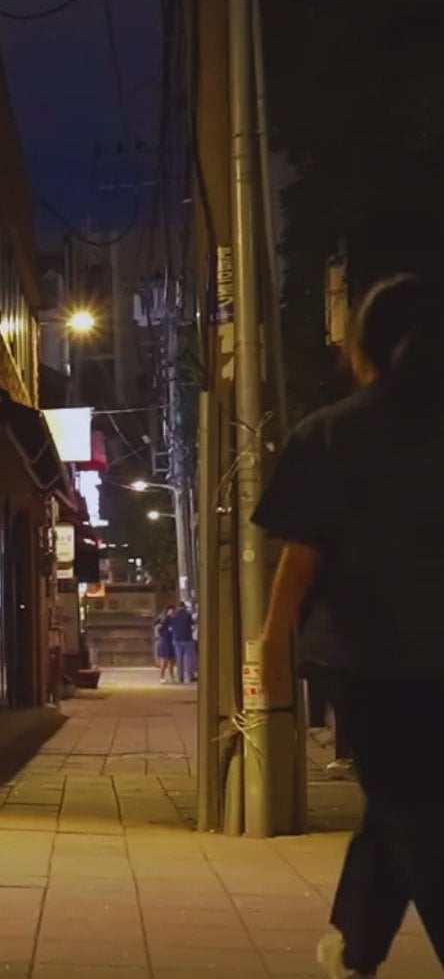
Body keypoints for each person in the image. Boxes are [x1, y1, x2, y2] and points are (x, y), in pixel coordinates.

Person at [252, 273, 444, 978]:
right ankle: (357, 948)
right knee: (404, 801)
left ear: (363, 347)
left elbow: (301, 561)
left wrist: (273, 646)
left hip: (373, 660)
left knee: (413, 809)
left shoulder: (334, 433)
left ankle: (357, 948)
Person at [168, 601, 196, 684]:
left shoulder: (173, 615)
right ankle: (187, 677)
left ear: (178, 607)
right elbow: (192, 625)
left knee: (179, 658)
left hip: (176, 639)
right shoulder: (187, 615)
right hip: (187, 639)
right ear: (184, 607)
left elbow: (170, 627)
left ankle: (180, 677)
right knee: (187, 659)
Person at [154, 605, 177, 684]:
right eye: (171, 611)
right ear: (168, 611)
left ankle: (172, 677)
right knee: (164, 660)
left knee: (172, 660)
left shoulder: (173, 619)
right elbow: (159, 628)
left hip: (171, 641)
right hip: (165, 641)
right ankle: (162, 677)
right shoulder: (165, 618)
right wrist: (164, 633)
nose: (173, 612)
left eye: (174, 611)